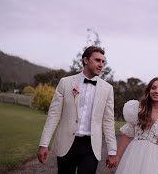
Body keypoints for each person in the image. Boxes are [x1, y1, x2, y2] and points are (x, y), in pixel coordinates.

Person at [37, 46, 118, 174]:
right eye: (97, 60)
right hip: (67, 144)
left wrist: (112, 151)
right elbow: (54, 115)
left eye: (103, 61)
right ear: (86, 60)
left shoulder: (107, 89)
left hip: (91, 147)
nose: (101, 65)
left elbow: (108, 121)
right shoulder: (65, 83)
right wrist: (44, 144)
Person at [113, 77, 158, 174]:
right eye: (153, 88)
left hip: (154, 158)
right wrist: (116, 156)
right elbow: (127, 134)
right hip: (134, 153)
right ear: (149, 90)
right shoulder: (138, 108)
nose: (156, 91)